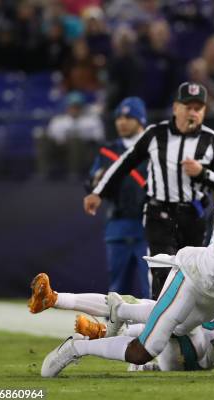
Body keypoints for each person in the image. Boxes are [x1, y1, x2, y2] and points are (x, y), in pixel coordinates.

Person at [41, 161, 214, 378]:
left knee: (156, 325)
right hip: (191, 279)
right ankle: (76, 348)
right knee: (144, 351)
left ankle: (109, 321)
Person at [83, 82, 214, 299]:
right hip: (159, 213)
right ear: (175, 108)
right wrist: (99, 192)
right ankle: (159, 329)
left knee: (192, 276)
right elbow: (125, 163)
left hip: (194, 215)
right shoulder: (155, 134)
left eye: (198, 108)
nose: (192, 112)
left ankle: (186, 330)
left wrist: (202, 173)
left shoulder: (212, 140)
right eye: (187, 106)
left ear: (204, 111)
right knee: (163, 272)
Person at [28, 251, 214, 372]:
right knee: (159, 309)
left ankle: (102, 331)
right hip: (186, 330)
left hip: (197, 355)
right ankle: (55, 299)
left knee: (168, 318)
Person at [87, 97, 150, 298]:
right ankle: (112, 329)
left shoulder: (153, 148)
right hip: (118, 224)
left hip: (147, 224)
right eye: (119, 117)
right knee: (116, 290)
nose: (122, 122)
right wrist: (94, 181)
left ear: (140, 120)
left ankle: (152, 329)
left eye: (128, 117)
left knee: (150, 286)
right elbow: (91, 182)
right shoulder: (108, 150)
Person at [37, 91, 105, 179]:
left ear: (82, 107)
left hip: (84, 150)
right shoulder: (58, 120)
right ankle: (43, 172)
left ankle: (74, 172)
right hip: (60, 149)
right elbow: (51, 136)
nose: (74, 109)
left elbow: (99, 138)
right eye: (72, 106)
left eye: (77, 106)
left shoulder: (92, 120)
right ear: (67, 107)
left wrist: (81, 136)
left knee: (74, 140)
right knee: (42, 137)